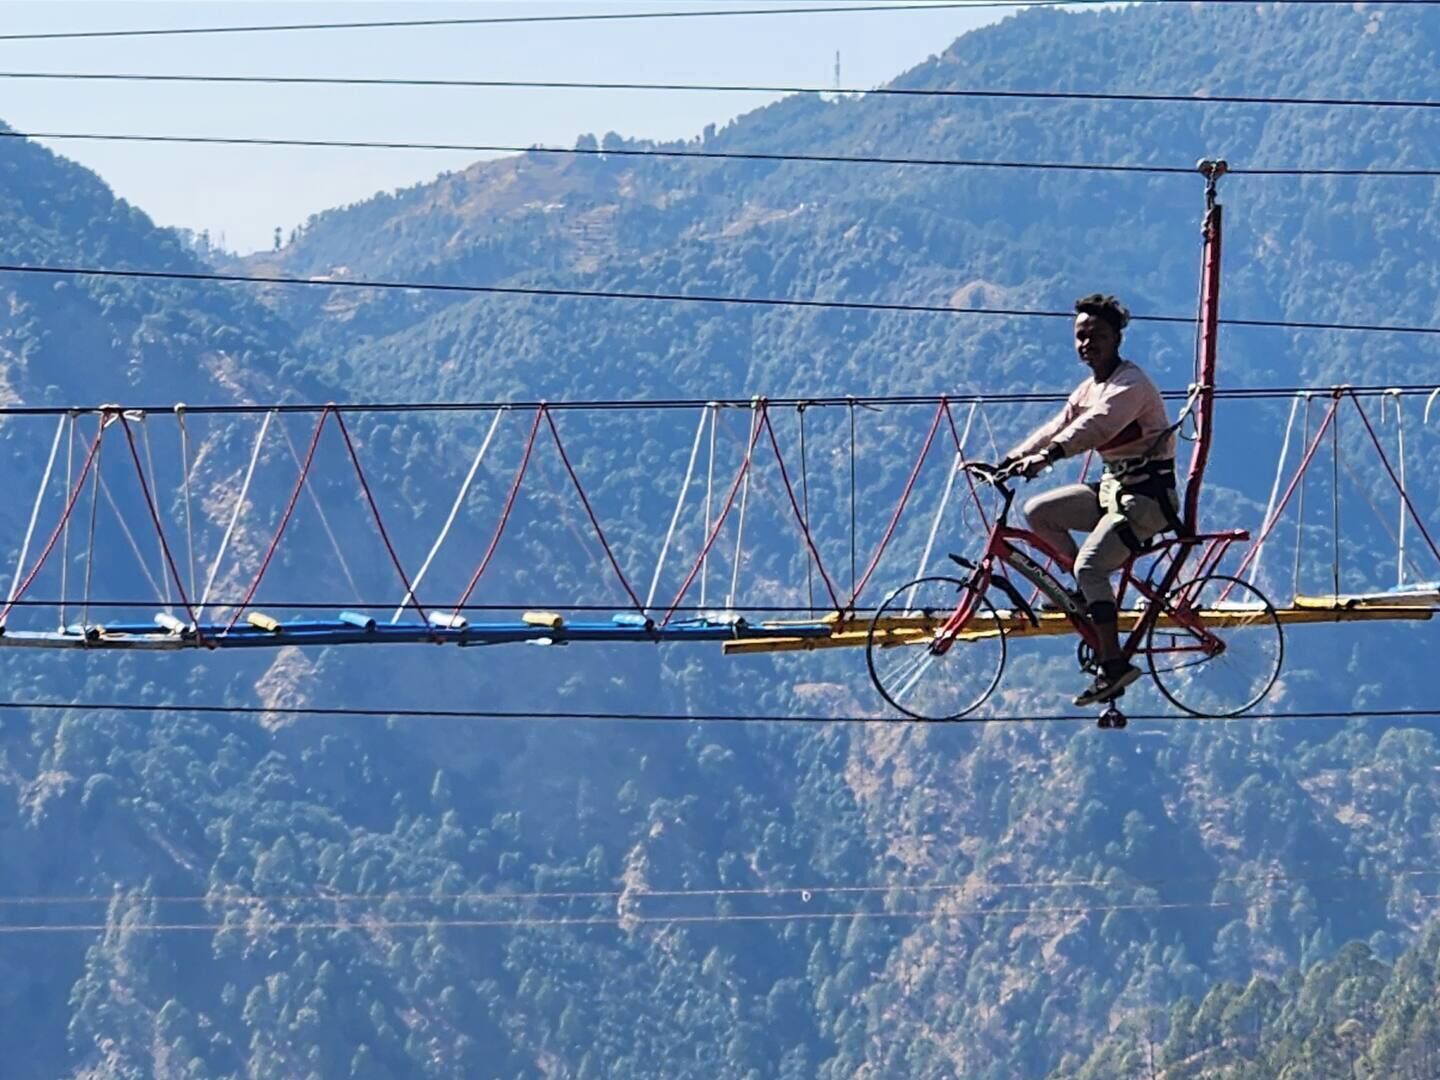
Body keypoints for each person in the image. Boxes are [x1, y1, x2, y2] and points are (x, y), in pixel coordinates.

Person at [1000, 293, 1182, 707]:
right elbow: (1058, 426)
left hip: (1146, 500)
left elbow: (1095, 428)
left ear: (1117, 338)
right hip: (1114, 490)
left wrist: (1047, 458)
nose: (1087, 344)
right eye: (1081, 336)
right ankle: (1087, 598)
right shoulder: (1088, 388)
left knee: (1089, 567)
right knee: (1038, 512)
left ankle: (1114, 665)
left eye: (1097, 335)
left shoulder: (1130, 385)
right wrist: (1009, 460)